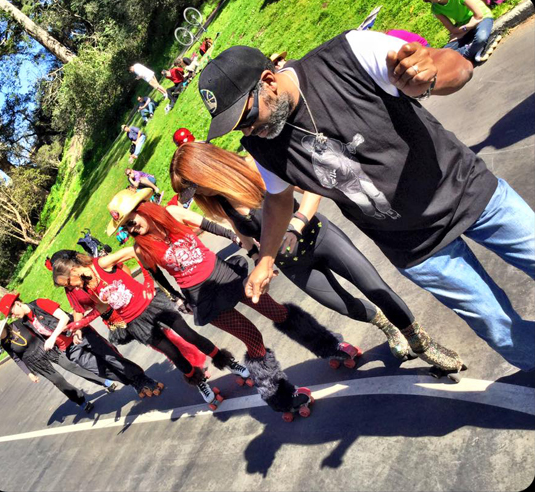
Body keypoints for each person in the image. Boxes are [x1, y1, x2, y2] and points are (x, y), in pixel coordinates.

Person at [197, 31, 535, 373]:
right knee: (502, 331)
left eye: (248, 118)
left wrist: (428, 79)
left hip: (469, 193)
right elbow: (278, 199)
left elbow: (458, 66)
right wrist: (266, 259)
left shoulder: (349, 55)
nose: (248, 133)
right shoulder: (262, 145)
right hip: (417, 249)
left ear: (268, 81)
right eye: (237, 129)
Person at [170, 140, 474, 379]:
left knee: (374, 287)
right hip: (293, 265)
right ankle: (388, 327)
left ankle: (421, 342)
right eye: (190, 192)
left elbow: (312, 189)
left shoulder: (255, 168)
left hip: (320, 237)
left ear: (206, 169)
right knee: (342, 304)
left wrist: (297, 223)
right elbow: (244, 231)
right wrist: (256, 257)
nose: (197, 195)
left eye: (193, 187)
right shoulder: (220, 202)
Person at [102, 188, 361, 418]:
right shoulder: (141, 249)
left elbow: (213, 226)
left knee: (279, 312)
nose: (130, 229)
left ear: (143, 209)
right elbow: (158, 277)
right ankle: (281, 398)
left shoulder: (174, 214)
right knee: (253, 338)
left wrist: (242, 242)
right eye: (125, 227)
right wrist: (177, 298)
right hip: (205, 298)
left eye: (130, 221)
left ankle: (330, 346)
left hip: (227, 276)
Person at [51, 245, 251, 410]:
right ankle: (200, 384)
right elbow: (103, 307)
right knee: (173, 354)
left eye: (68, 281)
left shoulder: (101, 264)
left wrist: (148, 281)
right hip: (135, 322)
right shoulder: (86, 285)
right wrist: (81, 323)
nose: (71, 287)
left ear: (73, 269)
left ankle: (229, 362)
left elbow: (134, 250)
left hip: (152, 304)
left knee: (190, 336)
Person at [47, 251, 209, 395]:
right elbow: (77, 309)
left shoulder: (94, 267)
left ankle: (196, 364)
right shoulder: (70, 288)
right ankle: (189, 368)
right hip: (117, 319)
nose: (65, 281)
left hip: (132, 304)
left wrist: (133, 287)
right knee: (161, 345)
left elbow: (125, 271)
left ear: (69, 267)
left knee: (170, 336)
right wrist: (78, 328)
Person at [0, 292, 129, 394]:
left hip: (79, 335)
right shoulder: (24, 322)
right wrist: (29, 372)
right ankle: (125, 381)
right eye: (10, 316)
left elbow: (65, 317)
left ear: (17, 304)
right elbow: (18, 356)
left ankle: (135, 378)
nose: (12, 317)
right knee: (94, 367)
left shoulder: (39, 304)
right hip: (66, 348)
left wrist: (53, 338)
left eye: (11, 313)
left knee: (111, 357)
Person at [0, 312, 95, 413]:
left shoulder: (18, 323)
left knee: (70, 365)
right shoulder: (5, 344)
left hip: (45, 348)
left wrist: (53, 340)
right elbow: (16, 359)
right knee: (58, 381)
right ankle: (82, 402)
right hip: (35, 362)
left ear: (2, 328)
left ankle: (103, 381)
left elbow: (37, 330)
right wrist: (29, 373)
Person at [416, 0, 499, 63]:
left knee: (481, 37)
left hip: (483, 18)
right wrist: (464, 29)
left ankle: (466, 55)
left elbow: (479, 16)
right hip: (464, 26)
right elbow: (452, 29)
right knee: (445, 51)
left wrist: (463, 31)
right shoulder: (435, 9)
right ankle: (475, 48)